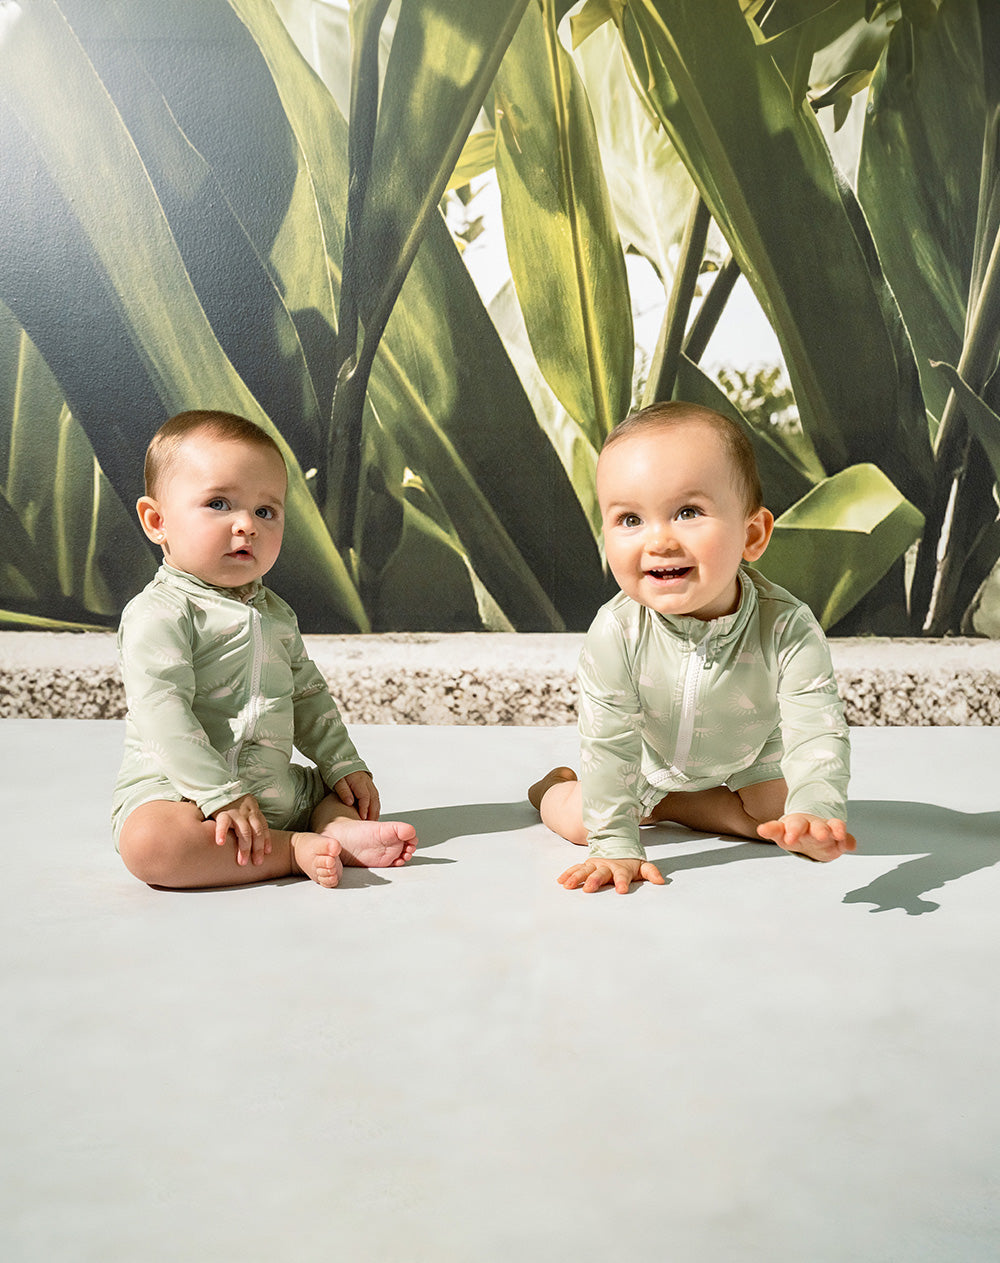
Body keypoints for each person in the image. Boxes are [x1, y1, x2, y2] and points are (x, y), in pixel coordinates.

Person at [528, 401, 854, 894]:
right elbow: (610, 741)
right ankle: (552, 787)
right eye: (630, 519)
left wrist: (816, 808)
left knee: (784, 824)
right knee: (584, 824)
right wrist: (615, 842)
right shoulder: (617, 632)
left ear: (753, 534)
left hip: (748, 753)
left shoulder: (787, 626)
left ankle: (673, 804)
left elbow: (815, 730)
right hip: (645, 757)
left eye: (687, 512)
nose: (659, 540)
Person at [113, 409, 417, 889]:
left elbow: (307, 695)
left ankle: (333, 827)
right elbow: (162, 711)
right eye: (218, 504)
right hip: (183, 796)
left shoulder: (276, 614)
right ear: (157, 521)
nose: (246, 525)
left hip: (275, 788)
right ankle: (291, 850)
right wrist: (219, 795)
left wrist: (342, 763)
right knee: (152, 846)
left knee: (336, 794)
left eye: (265, 511)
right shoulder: (160, 614)